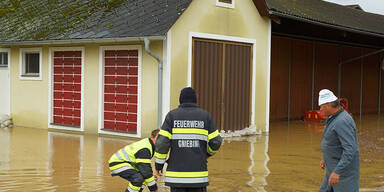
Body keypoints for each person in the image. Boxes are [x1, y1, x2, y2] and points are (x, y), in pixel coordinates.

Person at [154, 87, 223, 192]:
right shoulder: (205, 116)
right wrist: (207, 154)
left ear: (180, 100)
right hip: (198, 178)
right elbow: (216, 141)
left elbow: (162, 143)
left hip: (176, 178)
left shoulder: (171, 116)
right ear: (195, 100)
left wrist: (159, 165)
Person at [318, 89, 360, 192]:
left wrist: (338, 171)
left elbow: (350, 150)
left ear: (328, 105)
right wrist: (326, 158)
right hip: (332, 171)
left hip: (343, 176)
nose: (320, 110)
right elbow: (334, 143)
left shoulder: (342, 121)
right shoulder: (333, 118)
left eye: (321, 107)